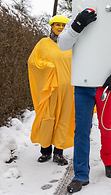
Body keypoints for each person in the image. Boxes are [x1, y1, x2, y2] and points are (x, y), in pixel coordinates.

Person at [57, 9, 111, 193]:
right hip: (82, 85)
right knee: (81, 129)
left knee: (107, 126)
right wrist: (77, 25)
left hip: (105, 86)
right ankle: (80, 174)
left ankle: (109, 160)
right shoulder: (76, 21)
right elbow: (63, 45)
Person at [28, 14, 74, 166]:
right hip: (50, 88)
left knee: (64, 118)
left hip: (68, 88)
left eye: (63, 25)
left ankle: (59, 153)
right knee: (47, 118)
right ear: (52, 26)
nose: (60, 27)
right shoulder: (43, 43)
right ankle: (45, 150)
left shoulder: (72, 44)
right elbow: (33, 61)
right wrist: (46, 66)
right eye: (57, 24)